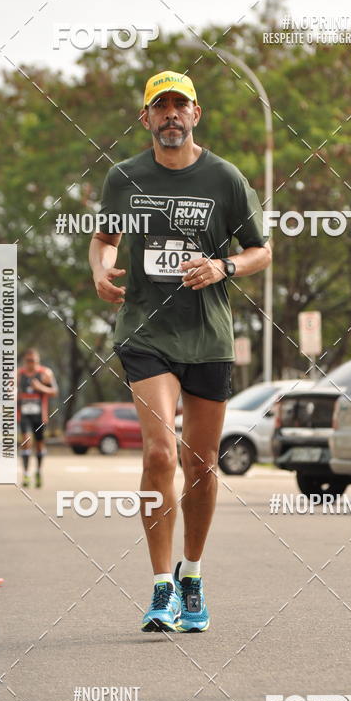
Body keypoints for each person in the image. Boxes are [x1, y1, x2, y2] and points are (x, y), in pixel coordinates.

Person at [89, 70, 271, 633]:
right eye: (159, 106)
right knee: (158, 455)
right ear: (145, 119)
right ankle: (160, 586)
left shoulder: (226, 178)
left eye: (179, 105)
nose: (170, 115)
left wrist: (224, 266)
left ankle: (191, 573)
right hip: (145, 332)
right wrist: (99, 271)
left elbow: (261, 252)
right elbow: (103, 238)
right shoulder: (124, 178)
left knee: (200, 463)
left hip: (209, 338)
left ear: (196, 114)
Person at [17, 349, 58, 488]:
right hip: (24, 414)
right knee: (26, 441)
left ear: (38, 361)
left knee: (39, 444)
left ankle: (39, 472)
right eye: (29, 361)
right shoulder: (18, 374)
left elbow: (54, 391)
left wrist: (40, 387)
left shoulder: (45, 373)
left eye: (34, 361)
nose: (31, 363)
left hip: (40, 415)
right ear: (25, 361)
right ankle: (26, 474)